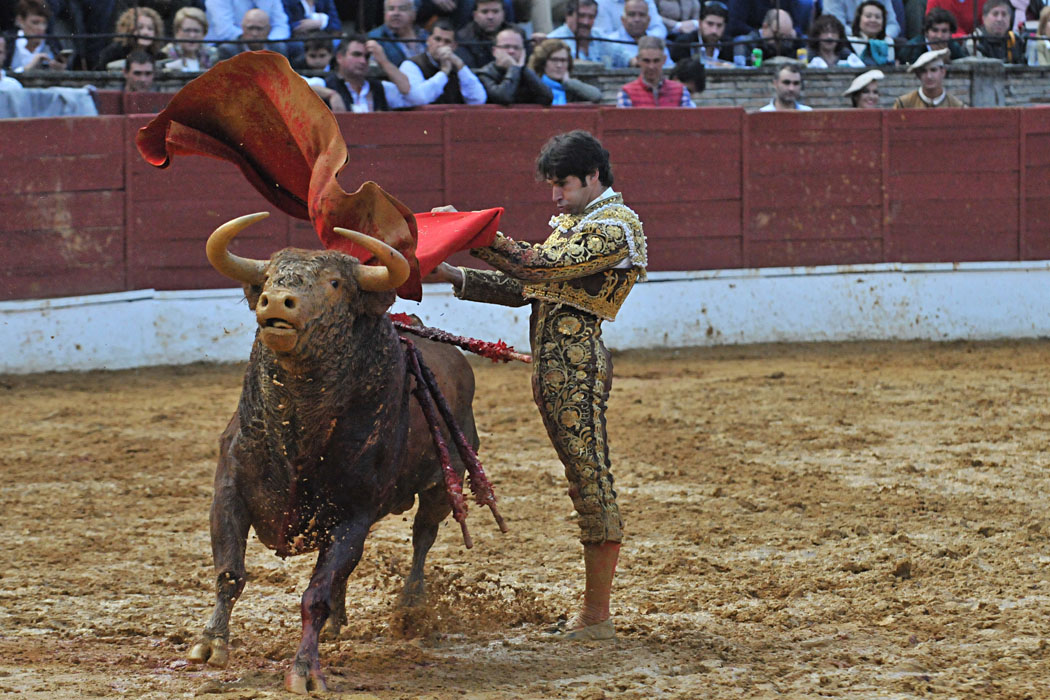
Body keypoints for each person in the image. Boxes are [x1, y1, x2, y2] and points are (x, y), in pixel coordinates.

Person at [428, 130, 647, 642]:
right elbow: (526, 286)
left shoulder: (616, 229)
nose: (555, 196)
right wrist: (453, 273)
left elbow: (535, 266)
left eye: (563, 184)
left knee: (590, 478)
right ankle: (594, 614)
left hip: (576, 371)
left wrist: (473, 231)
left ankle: (596, 618)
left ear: (593, 177)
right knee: (583, 475)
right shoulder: (577, 224)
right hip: (554, 370)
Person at [400, 19, 487, 105]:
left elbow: (478, 99)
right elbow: (419, 98)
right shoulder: (411, 65)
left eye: (447, 41)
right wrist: (444, 73)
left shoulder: (458, 68)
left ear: (454, 46)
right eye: (437, 39)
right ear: (428, 40)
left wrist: (460, 65)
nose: (441, 45)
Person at [315, 33, 410, 111]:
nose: (363, 61)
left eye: (367, 57)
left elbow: (408, 92)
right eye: (356, 55)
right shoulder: (325, 84)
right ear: (340, 57)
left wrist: (383, 61)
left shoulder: (380, 88)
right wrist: (331, 94)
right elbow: (300, 87)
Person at [477, 26, 554, 104]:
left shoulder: (526, 73)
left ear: (523, 52)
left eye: (516, 47)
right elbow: (503, 98)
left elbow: (547, 97)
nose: (511, 51)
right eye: (506, 47)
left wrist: (523, 68)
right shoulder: (485, 74)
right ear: (494, 51)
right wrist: (514, 69)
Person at [616, 35, 694, 105]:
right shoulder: (627, 92)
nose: (651, 66)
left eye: (656, 61)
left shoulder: (680, 91)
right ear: (638, 60)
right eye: (646, 61)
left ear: (664, 60)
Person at [529, 37, 602, 103]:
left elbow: (596, 96)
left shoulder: (571, 88)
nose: (559, 65)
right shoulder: (534, 87)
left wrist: (568, 82)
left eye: (563, 60)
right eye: (554, 60)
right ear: (543, 62)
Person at [603, 0, 671, 67]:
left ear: (649, 20)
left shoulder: (656, 41)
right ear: (623, 20)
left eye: (642, 15)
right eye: (632, 15)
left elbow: (669, 67)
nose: (637, 19)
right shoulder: (611, 42)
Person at [892, 47, 966, 108]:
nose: (929, 76)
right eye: (924, 71)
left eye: (933, 70)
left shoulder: (957, 106)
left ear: (943, 72)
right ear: (918, 75)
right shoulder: (903, 104)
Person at [8, 0, 68, 73]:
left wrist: (60, 69)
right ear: (20, 20)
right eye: (35, 22)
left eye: (44, 23)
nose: (41, 28)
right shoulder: (8, 41)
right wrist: (28, 68)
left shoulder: (52, 43)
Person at [669, 0, 733, 65]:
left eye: (719, 25)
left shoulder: (729, 45)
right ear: (700, 23)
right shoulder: (684, 44)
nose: (714, 30)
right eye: (710, 24)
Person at [366, 0, 428, 66]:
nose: (396, 13)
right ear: (384, 13)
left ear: (413, 14)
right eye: (391, 9)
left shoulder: (425, 35)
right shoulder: (375, 38)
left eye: (402, 9)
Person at [897, 8, 968, 65]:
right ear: (926, 32)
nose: (939, 36)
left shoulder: (954, 47)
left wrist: (948, 62)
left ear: (950, 33)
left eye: (944, 31)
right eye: (935, 30)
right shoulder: (912, 48)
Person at [455, 0, 513, 68]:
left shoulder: (516, 35)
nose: (490, 17)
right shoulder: (464, 37)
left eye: (495, 11)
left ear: (503, 14)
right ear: (475, 15)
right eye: (484, 12)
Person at [205, 0, 290, 46]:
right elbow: (225, 31)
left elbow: (281, 26)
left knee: (283, 47)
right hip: (222, 44)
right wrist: (255, 38)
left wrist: (267, 42)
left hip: (264, 43)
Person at [161, 7, 220, 72]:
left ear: (204, 33)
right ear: (177, 32)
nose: (192, 35)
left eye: (196, 31)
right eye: (187, 30)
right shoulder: (165, 55)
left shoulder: (212, 56)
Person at [734, 8, 801, 65]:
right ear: (765, 26)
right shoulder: (745, 44)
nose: (782, 41)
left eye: (787, 37)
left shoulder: (791, 43)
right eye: (778, 35)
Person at [848, 0, 895, 65]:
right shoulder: (849, 42)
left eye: (877, 17)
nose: (873, 20)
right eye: (868, 16)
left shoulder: (888, 41)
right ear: (859, 19)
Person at [825, 0, 901, 38]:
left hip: (879, 39)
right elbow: (835, 26)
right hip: (848, 38)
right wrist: (863, 35)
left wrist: (884, 36)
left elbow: (893, 25)